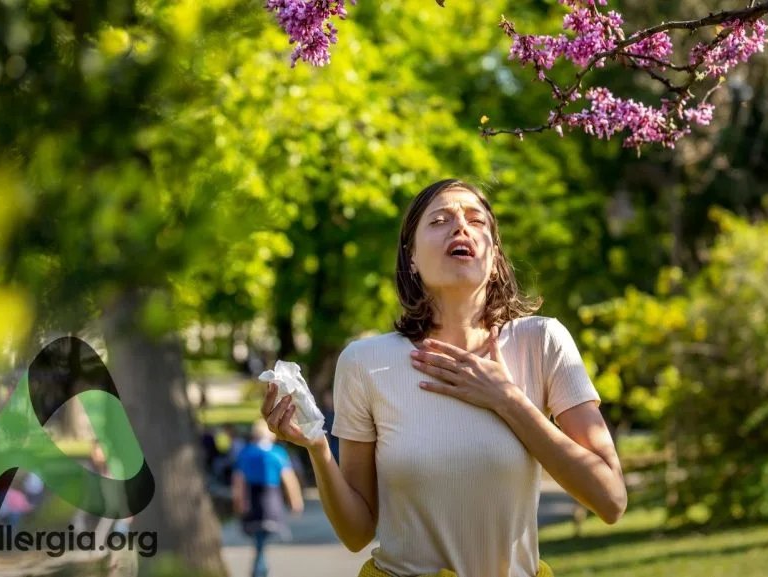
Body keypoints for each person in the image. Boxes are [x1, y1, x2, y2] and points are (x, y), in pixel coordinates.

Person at [260, 179, 628, 577]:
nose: (461, 227)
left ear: (495, 256)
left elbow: (610, 500)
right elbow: (356, 532)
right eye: (440, 220)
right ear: (412, 257)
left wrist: (507, 399)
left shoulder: (542, 342)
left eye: (476, 220)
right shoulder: (365, 362)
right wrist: (317, 447)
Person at [232, 419, 304, 577]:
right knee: (262, 538)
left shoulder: (246, 453)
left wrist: (239, 501)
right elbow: (289, 480)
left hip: (252, 498)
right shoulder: (277, 453)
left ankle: (259, 566)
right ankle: (260, 568)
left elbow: (239, 481)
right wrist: (296, 501)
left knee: (259, 537)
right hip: (270, 499)